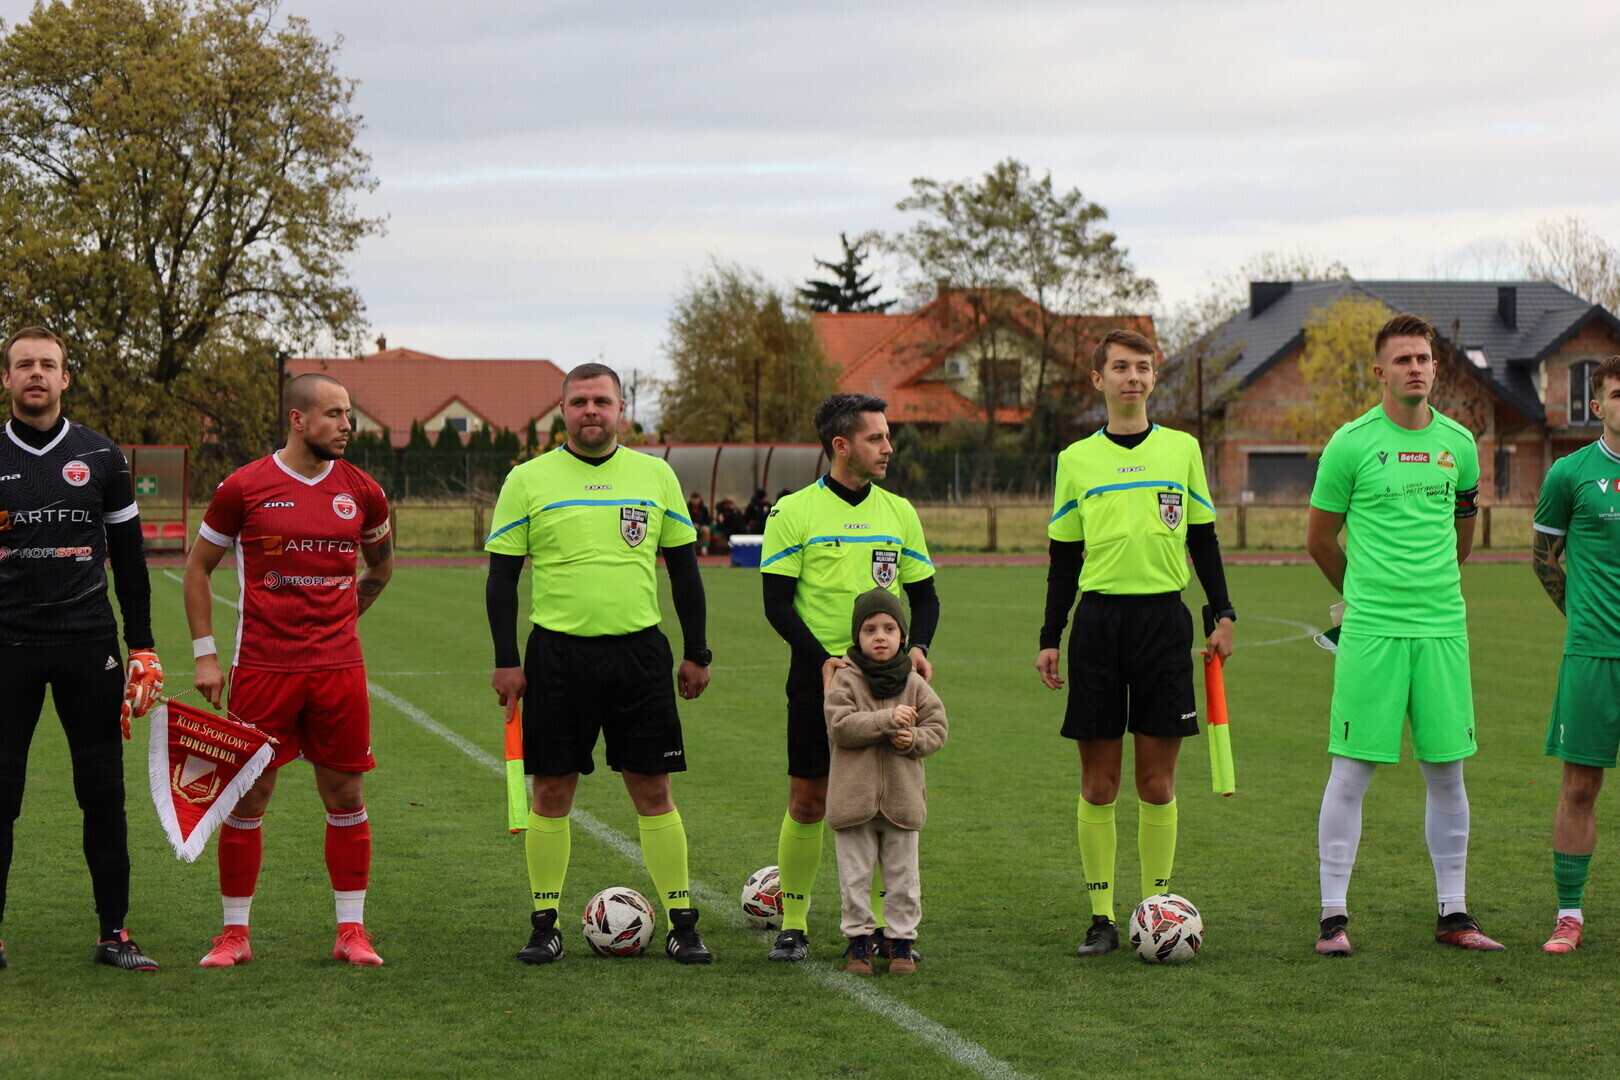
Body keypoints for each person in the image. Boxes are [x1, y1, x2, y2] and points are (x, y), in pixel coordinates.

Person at [486, 362, 713, 965]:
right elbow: (502, 577)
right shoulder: (528, 480)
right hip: (557, 655)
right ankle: (544, 922)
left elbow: (686, 571)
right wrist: (508, 661)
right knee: (552, 787)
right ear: (563, 410)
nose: (592, 411)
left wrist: (697, 651)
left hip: (639, 653)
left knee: (652, 786)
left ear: (621, 410)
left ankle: (682, 922)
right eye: (580, 401)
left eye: (602, 401)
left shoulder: (655, 475)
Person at [185, 373, 395, 968]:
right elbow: (198, 568)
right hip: (262, 667)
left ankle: (352, 931)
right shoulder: (244, 487)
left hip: (338, 669)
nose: (346, 426)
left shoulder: (365, 492)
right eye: (333, 415)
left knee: (345, 792)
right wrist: (205, 652)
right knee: (247, 797)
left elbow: (380, 567)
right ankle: (234, 935)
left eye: (349, 415)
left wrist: (343, 619)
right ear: (298, 420)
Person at [1037, 328, 1235, 958]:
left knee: (1156, 782)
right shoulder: (1076, 460)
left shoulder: (1182, 451)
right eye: (1119, 368)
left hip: (1162, 625)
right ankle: (1100, 915)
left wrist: (1220, 611)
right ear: (1098, 380)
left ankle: (1156, 909)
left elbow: (1202, 539)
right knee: (1099, 784)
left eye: (1142, 368)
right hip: (1097, 627)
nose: (1132, 377)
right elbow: (1064, 556)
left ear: (1154, 379)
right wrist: (1051, 635)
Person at [1304, 312, 1498, 955]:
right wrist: (1362, 596)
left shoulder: (1460, 446)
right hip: (1374, 633)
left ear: (1436, 367)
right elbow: (1319, 539)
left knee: (1447, 773)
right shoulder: (1351, 444)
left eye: (1424, 358)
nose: (1416, 367)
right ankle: (1334, 918)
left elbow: (1463, 534)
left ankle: (1455, 914)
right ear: (1381, 371)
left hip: (1443, 629)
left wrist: (1431, 588)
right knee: (1351, 771)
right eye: (1403, 359)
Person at [0, 326, 163, 972]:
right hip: (7, 646)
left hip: (88, 646)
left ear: (65, 378)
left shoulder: (101, 457)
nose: (36, 374)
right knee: (1, 796)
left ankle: (113, 933)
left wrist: (143, 644)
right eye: (23, 365)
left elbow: (129, 559)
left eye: (48, 365)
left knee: (102, 793)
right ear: (7, 379)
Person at [759, 393, 938, 962]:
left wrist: (920, 648)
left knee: (886, 802)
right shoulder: (794, 512)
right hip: (822, 675)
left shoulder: (899, 511)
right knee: (809, 799)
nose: (888, 447)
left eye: (887, 437)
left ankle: (883, 929)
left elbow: (925, 594)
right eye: (876, 438)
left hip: (891, 680)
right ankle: (793, 924)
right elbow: (776, 602)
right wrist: (820, 659)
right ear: (842, 445)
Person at [1531, 354, 1620, 953]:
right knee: (1581, 785)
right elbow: (1543, 558)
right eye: (1619, 394)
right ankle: (1569, 914)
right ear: (1598, 405)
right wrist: (1583, 617)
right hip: (1592, 653)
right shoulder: (1571, 473)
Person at [825, 589, 947, 975]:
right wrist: (886, 720)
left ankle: (901, 944)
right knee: (855, 880)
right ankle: (859, 944)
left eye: (890, 628)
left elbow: (938, 728)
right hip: (853, 802)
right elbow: (840, 727)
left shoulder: (913, 683)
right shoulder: (846, 681)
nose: (880, 636)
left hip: (902, 801)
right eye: (870, 629)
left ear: (902, 636)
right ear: (857, 636)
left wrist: (914, 740)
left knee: (904, 881)